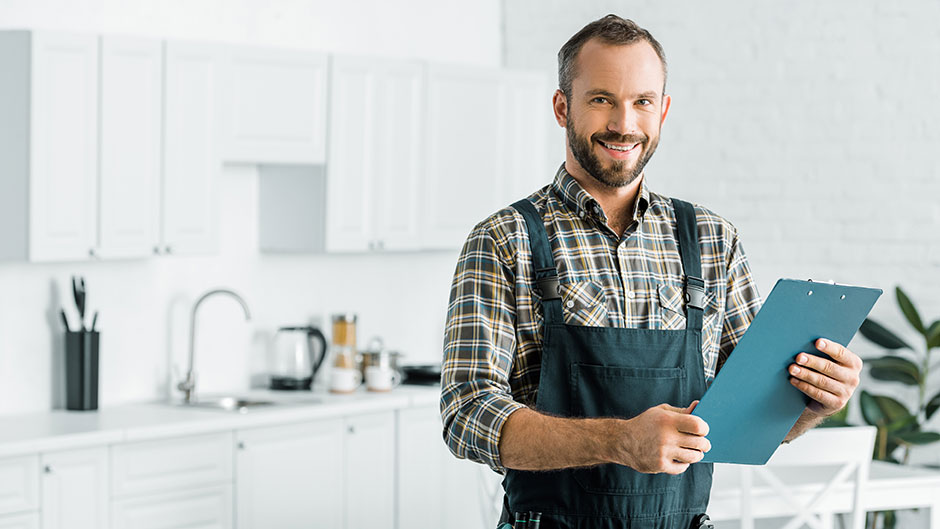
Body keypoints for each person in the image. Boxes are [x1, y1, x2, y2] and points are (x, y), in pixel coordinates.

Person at [440, 14, 864, 529]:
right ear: (561, 107)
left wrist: (817, 401)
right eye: (601, 99)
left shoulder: (712, 239)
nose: (624, 123)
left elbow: (749, 418)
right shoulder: (503, 239)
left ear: (662, 110)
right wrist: (620, 440)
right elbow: (465, 417)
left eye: (642, 101)